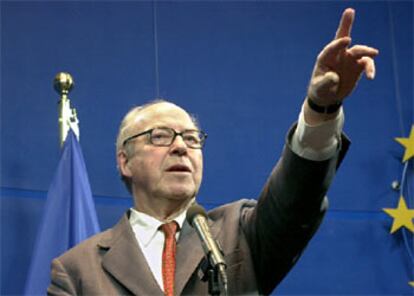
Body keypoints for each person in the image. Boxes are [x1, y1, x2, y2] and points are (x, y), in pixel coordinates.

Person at [48, 8, 378, 295]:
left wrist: (322, 108)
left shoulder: (240, 233)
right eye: (161, 136)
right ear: (125, 161)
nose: (180, 146)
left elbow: (298, 198)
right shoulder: (77, 270)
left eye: (191, 139)